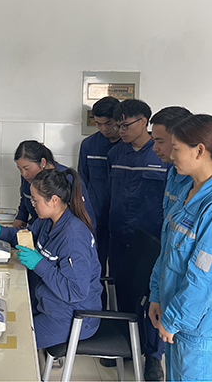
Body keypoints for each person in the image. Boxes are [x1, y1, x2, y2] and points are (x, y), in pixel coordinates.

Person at [148, 114, 212, 381]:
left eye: (176, 148)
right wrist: (157, 295)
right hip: (179, 320)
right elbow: (167, 251)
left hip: (201, 332)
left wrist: (174, 319)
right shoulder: (188, 193)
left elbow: (204, 278)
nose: (171, 155)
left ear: (199, 151)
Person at [0, 168, 103, 349]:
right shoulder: (47, 220)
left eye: (35, 200)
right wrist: (0, 231)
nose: (32, 205)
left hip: (73, 316)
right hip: (49, 303)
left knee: (11, 342)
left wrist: (40, 264)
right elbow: (24, 237)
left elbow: (76, 292)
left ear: (54, 200)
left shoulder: (73, 237)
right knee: (1, 322)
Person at [106, 99, 169, 380]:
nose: (120, 130)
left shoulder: (162, 155)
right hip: (119, 235)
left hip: (152, 240)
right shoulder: (115, 153)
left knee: (153, 297)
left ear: (144, 121)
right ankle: (126, 345)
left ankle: (154, 356)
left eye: (125, 125)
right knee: (123, 292)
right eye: (117, 125)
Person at [78, 96, 121, 307]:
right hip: (95, 218)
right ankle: (98, 310)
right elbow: (81, 183)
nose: (104, 129)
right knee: (95, 266)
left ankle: (121, 313)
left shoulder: (127, 146)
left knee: (123, 270)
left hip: (122, 219)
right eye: (98, 123)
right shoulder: (89, 145)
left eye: (108, 123)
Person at [13, 140, 96, 232]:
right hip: (39, 230)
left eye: (26, 168)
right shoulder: (28, 177)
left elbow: (85, 214)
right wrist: (21, 217)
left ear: (43, 162)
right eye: (19, 169)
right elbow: (26, 197)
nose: (24, 174)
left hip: (63, 232)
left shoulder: (66, 178)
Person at [149, 106, 194, 218]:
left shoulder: (197, 181)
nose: (154, 148)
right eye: (154, 141)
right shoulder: (173, 171)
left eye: (160, 142)